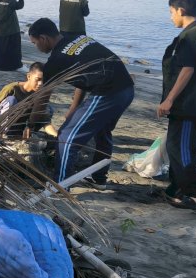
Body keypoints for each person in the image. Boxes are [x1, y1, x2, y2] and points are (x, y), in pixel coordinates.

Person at [27, 18, 135, 187]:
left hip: (108, 92)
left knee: (67, 138)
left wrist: (31, 124)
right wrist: (74, 107)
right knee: (102, 131)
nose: (36, 47)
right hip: (127, 88)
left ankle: (60, 185)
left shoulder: (56, 60)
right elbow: (83, 77)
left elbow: (42, 98)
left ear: (44, 39)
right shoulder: (76, 37)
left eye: (35, 43)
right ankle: (98, 178)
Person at [160, 0, 196, 209]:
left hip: (188, 104)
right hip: (193, 101)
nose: (171, 16)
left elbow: (187, 69)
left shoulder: (190, 36)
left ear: (181, 11)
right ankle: (177, 188)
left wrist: (169, 100)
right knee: (177, 146)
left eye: (171, 12)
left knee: (180, 148)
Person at [0, 62, 56, 139]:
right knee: (11, 100)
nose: (40, 83)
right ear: (29, 76)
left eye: (44, 80)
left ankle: (28, 133)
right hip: (0, 126)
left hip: (23, 127)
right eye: (38, 79)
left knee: (48, 108)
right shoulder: (13, 88)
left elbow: (45, 122)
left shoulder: (41, 94)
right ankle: (2, 132)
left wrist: (57, 136)